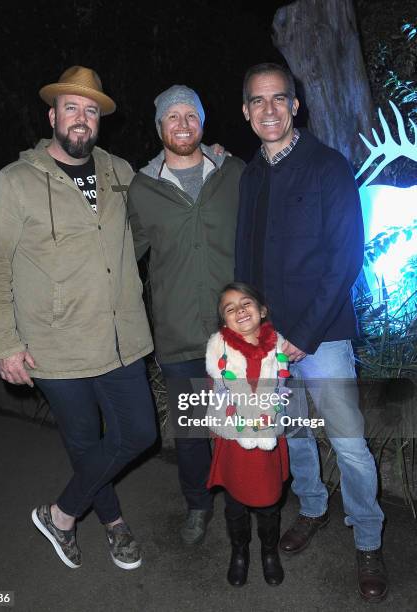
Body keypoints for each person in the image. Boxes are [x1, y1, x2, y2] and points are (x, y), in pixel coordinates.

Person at [0, 66, 157, 571]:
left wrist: (208, 158)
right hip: (55, 341)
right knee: (83, 441)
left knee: (140, 432)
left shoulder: (121, 172)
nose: (82, 119)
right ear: (53, 115)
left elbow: (155, 209)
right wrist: (4, 343)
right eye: (72, 108)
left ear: (100, 120)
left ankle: (60, 514)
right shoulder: (13, 183)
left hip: (122, 334)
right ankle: (116, 524)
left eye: (91, 111)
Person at [236, 62, 387, 602]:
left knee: (349, 445)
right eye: (258, 100)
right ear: (247, 111)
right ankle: (314, 508)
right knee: (294, 431)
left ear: (295, 105)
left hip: (321, 338)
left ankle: (368, 539)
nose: (269, 109)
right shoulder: (252, 175)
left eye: (280, 98)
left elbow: (344, 259)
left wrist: (301, 334)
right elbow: (245, 260)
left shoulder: (328, 166)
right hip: (270, 341)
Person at [127, 85, 245, 545]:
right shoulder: (142, 188)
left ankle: (244, 501)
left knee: (242, 424)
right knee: (193, 433)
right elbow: (123, 257)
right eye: (171, 117)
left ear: (203, 122)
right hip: (177, 335)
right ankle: (197, 505)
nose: (181, 124)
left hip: (236, 333)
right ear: (159, 127)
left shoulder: (234, 171)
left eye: (190, 115)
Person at [205, 282, 289, 587]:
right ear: (224, 321)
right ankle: (239, 551)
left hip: (266, 435)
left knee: (268, 503)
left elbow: (282, 391)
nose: (239, 310)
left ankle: (270, 552)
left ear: (262, 310)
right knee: (234, 503)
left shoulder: (278, 347)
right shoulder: (219, 352)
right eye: (230, 308)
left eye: (246, 303)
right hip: (234, 439)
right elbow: (215, 394)